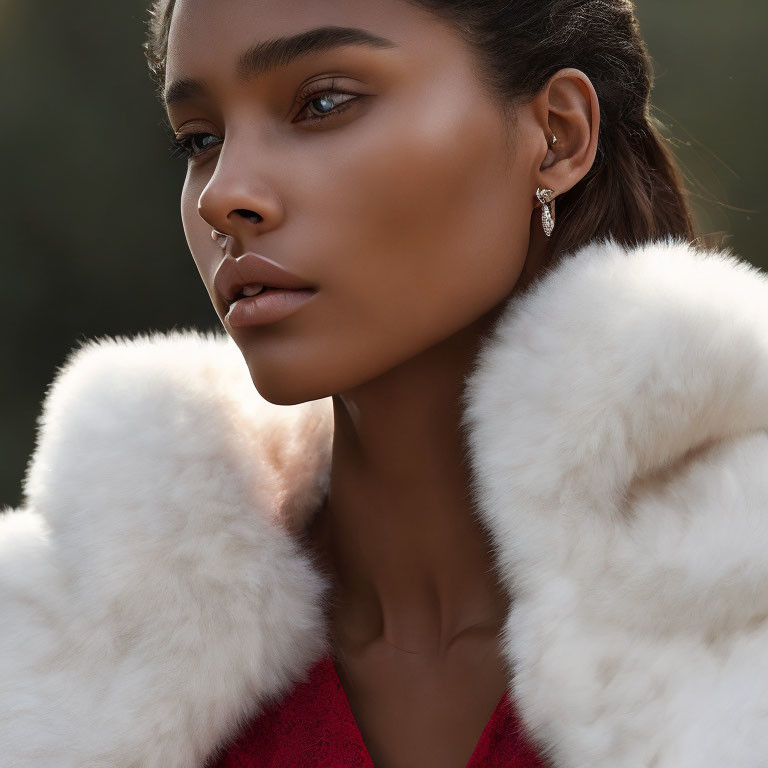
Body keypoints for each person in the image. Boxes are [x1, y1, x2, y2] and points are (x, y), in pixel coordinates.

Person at [2, 0, 767, 766]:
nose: (221, 194)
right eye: (200, 140)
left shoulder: (745, 622)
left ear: (557, 134)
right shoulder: (50, 666)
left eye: (323, 104)